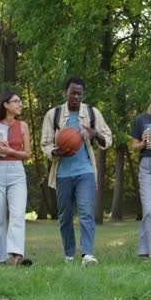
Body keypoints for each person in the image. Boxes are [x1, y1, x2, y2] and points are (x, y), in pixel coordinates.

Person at [41, 77, 112, 265]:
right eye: (72, 92)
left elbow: (108, 139)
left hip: (85, 172)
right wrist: (55, 151)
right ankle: (69, 254)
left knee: (86, 212)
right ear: (66, 92)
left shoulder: (92, 113)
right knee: (65, 216)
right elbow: (45, 144)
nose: (76, 96)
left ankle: (87, 254)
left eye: (79, 94)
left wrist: (94, 133)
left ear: (83, 95)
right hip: (63, 173)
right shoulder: (53, 115)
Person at [0, 91, 31, 265]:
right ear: (6, 105)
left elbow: (27, 154)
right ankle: (0, 257)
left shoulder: (23, 126)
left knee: (17, 215)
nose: (20, 104)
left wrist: (11, 152)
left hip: (17, 171)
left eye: (21, 101)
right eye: (16, 101)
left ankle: (17, 255)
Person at [131, 81, 151, 260]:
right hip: (147, 165)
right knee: (148, 210)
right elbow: (134, 147)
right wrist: (143, 142)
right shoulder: (141, 119)